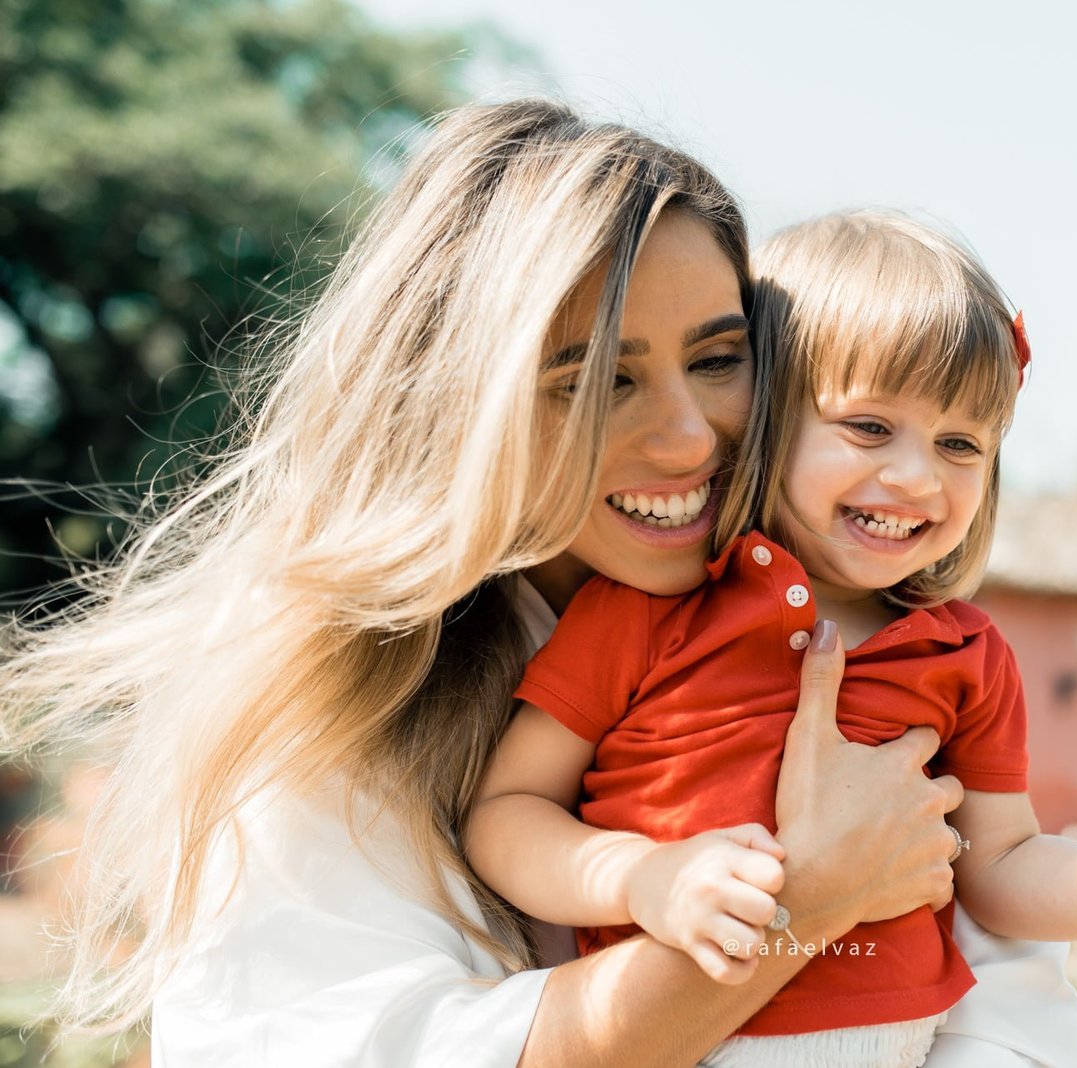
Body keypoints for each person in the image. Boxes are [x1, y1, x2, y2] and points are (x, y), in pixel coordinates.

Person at [0, 101, 970, 1067]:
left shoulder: (841, 623)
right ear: (460, 397)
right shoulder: (314, 698)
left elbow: (1004, 1001)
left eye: (718, 359)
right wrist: (806, 903)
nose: (687, 437)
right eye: (593, 378)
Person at [466, 211, 1077, 1068]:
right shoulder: (642, 613)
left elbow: (1002, 869)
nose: (918, 477)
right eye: (868, 428)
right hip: (678, 1032)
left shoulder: (963, 654)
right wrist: (641, 876)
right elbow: (506, 814)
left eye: (961, 443)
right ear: (767, 416)